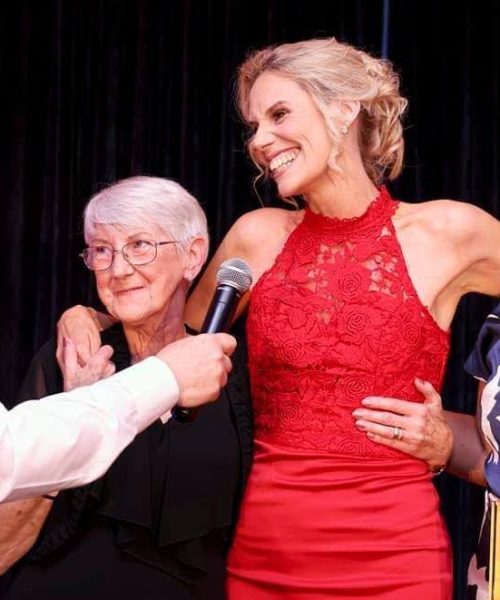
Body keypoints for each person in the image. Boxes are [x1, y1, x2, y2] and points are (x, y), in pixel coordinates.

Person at [57, 38, 500, 599]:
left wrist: (451, 438)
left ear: (344, 109)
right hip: (266, 550)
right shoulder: (256, 236)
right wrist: (83, 314)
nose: (260, 141)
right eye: (253, 125)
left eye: (279, 114)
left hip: (396, 551)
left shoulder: (452, 233)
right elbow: (167, 344)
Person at [0, 176, 252, 600]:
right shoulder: (73, 356)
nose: (117, 270)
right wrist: (77, 402)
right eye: (102, 250)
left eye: (140, 245)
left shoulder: (237, 372)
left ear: (193, 256)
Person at [0, 333, 236, 504]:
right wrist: (165, 376)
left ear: (193, 262)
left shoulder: (232, 384)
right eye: (104, 259)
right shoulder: (64, 356)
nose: (120, 271)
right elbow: (15, 454)